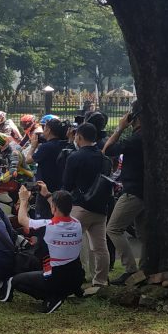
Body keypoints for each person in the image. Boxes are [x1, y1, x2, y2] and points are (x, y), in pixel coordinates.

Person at [0, 184, 84, 313]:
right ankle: (59, 294)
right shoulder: (77, 223)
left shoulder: (49, 225)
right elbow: (60, 208)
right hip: (76, 278)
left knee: (15, 280)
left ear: (53, 207)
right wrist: (48, 195)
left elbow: (22, 220)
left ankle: (52, 298)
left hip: (56, 279)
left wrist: (23, 200)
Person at [62, 122, 111, 288]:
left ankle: (75, 276)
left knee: (71, 243)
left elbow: (67, 185)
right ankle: (101, 280)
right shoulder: (104, 158)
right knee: (100, 246)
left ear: (79, 137)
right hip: (100, 207)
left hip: (80, 207)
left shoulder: (75, 157)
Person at [104, 101, 146, 285]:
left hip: (133, 191)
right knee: (144, 234)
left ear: (134, 117)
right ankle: (145, 268)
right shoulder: (150, 136)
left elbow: (108, 150)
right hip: (145, 191)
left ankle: (130, 269)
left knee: (113, 228)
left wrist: (120, 128)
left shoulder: (136, 139)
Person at [26, 118, 67, 218]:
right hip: (60, 187)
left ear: (48, 130)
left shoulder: (46, 147)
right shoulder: (64, 144)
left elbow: (28, 160)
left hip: (44, 188)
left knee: (43, 218)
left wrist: (33, 147)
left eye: (44, 128)